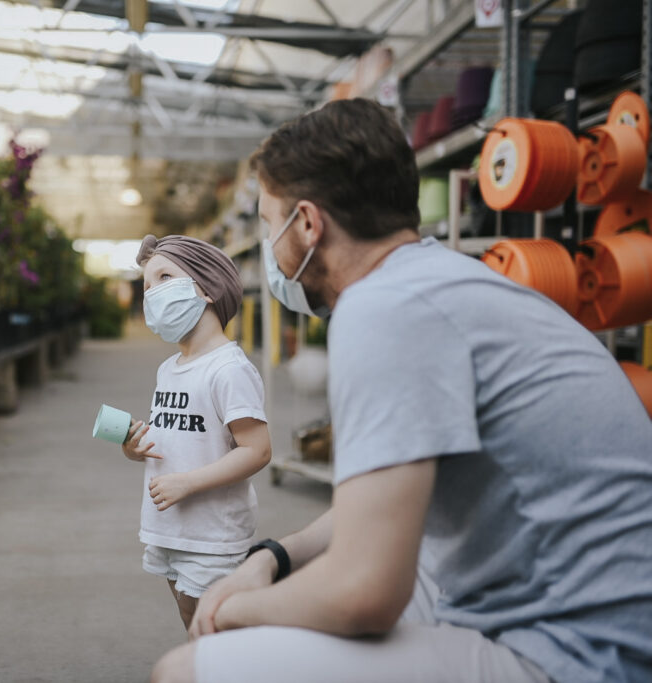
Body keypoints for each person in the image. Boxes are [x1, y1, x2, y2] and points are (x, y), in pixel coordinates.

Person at [151, 98, 652, 683]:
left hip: (581, 653)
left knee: (186, 670)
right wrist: (272, 557)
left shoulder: (384, 309)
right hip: (590, 610)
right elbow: (379, 506)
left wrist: (232, 608)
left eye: (268, 224)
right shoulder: (440, 277)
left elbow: (365, 593)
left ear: (308, 224)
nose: (270, 248)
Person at [121, 234, 272, 631]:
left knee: (212, 623)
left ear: (206, 288)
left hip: (211, 534)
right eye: (146, 285)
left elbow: (256, 450)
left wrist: (188, 483)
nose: (151, 293)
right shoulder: (169, 368)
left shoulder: (228, 369)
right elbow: (179, 432)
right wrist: (137, 448)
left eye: (164, 277)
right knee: (191, 618)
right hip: (170, 527)